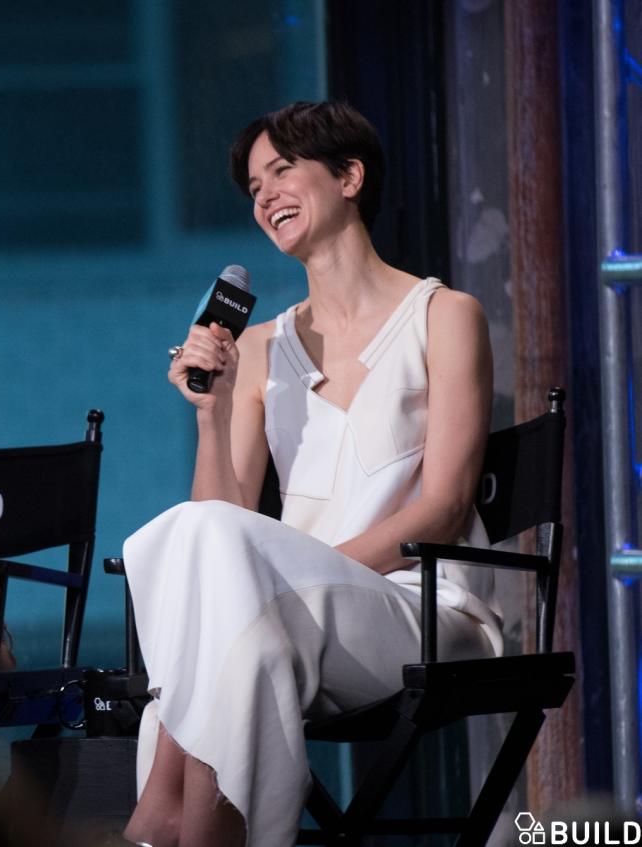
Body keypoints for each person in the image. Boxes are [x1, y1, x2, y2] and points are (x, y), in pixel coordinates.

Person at [119, 102, 502, 847]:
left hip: (416, 605)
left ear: (350, 176)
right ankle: (198, 831)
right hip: (280, 614)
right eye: (254, 185)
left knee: (232, 617)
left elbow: (447, 507)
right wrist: (213, 407)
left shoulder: (445, 314)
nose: (264, 195)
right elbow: (216, 521)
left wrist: (288, 573)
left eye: (282, 170)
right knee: (234, 615)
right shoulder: (259, 347)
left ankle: (156, 820)